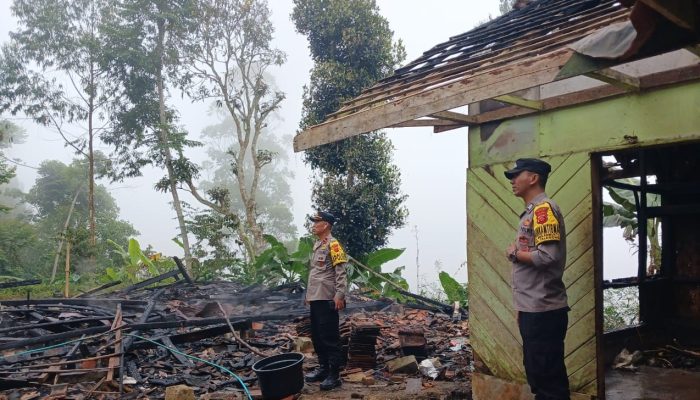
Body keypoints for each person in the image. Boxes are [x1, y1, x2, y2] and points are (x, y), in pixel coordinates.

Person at [504, 158, 570, 400]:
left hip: (543, 311)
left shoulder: (543, 211)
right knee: (540, 378)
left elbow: (547, 257)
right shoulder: (533, 211)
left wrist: (514, 253)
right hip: (534, 308)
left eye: (516, 175)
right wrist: (522, 307)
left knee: (548, 383)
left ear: (533, 178)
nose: (512, 180)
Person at [304, 211, 348, 391]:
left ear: (326, 225)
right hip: (316, 296)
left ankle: (334, 375)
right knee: (317, 335)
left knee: (329, 337)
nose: (314, 225)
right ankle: (323, 369)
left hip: (327, 297)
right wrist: (309, 295)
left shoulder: (334, 245)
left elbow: (341, 271)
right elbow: (316, 273)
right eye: (313, 222)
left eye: (317, 222)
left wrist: (340, 295)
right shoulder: (317, 244)